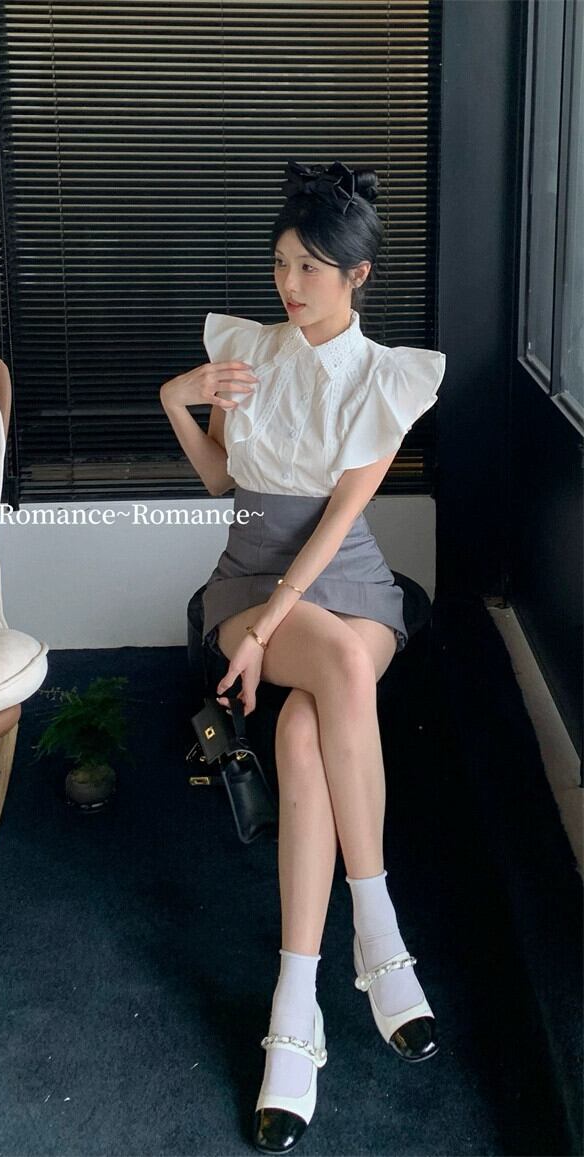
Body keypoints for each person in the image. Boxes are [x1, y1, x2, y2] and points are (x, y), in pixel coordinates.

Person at [159, 159, 447, 1154]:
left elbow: (333, 527)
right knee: (336, 676)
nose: (289, 283)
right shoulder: (243, 350)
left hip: (343, 577)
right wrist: (176, 399)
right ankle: (378, 936)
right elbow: (223, 484)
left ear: (357, 275)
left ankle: (297, 999)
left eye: (311, 268)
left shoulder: (386, 378)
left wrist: (271, 628)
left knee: (299, 731)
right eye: (281, 262)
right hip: (247, 572)